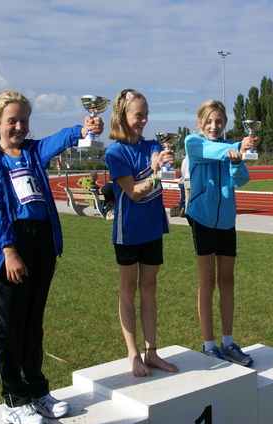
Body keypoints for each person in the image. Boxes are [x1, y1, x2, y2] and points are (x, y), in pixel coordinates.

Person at [0, 90, 103, 424]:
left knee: (33, 324)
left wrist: (82, 128)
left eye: (24, 120)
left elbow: (57, 141)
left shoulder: (32, 151)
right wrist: (9, 250)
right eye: (12, 120)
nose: (18, 126)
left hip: (43, 241)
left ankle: (37, 392)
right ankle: (14, 400)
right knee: (10, 328)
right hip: (13, 244)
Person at [104, 88, 178, 378]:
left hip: (152, 228)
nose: (144, 120)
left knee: (149, 289)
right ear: (122, 116)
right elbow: (133, 193)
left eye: (146, 115)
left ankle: (152, 351)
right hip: (128, 232)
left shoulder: (150, 146)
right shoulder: (115, 151)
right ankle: (133, 354)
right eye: (138, 115)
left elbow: (157, 156)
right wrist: (156, 174)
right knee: (128, 291)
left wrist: (165, 160)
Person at [185, 99, 256, 366]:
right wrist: (238, 146)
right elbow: (210, 151)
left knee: (227, 281)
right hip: (201, 218)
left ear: (225, 123)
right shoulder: (193, 142)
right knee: (208, 282)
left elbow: (241, 180)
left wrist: (237, 161)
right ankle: (208, 345)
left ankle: (228, 343)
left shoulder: (228, 149)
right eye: (209, 121)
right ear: (200, 123)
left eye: (219, 121)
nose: (213, 126)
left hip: (226, 219)